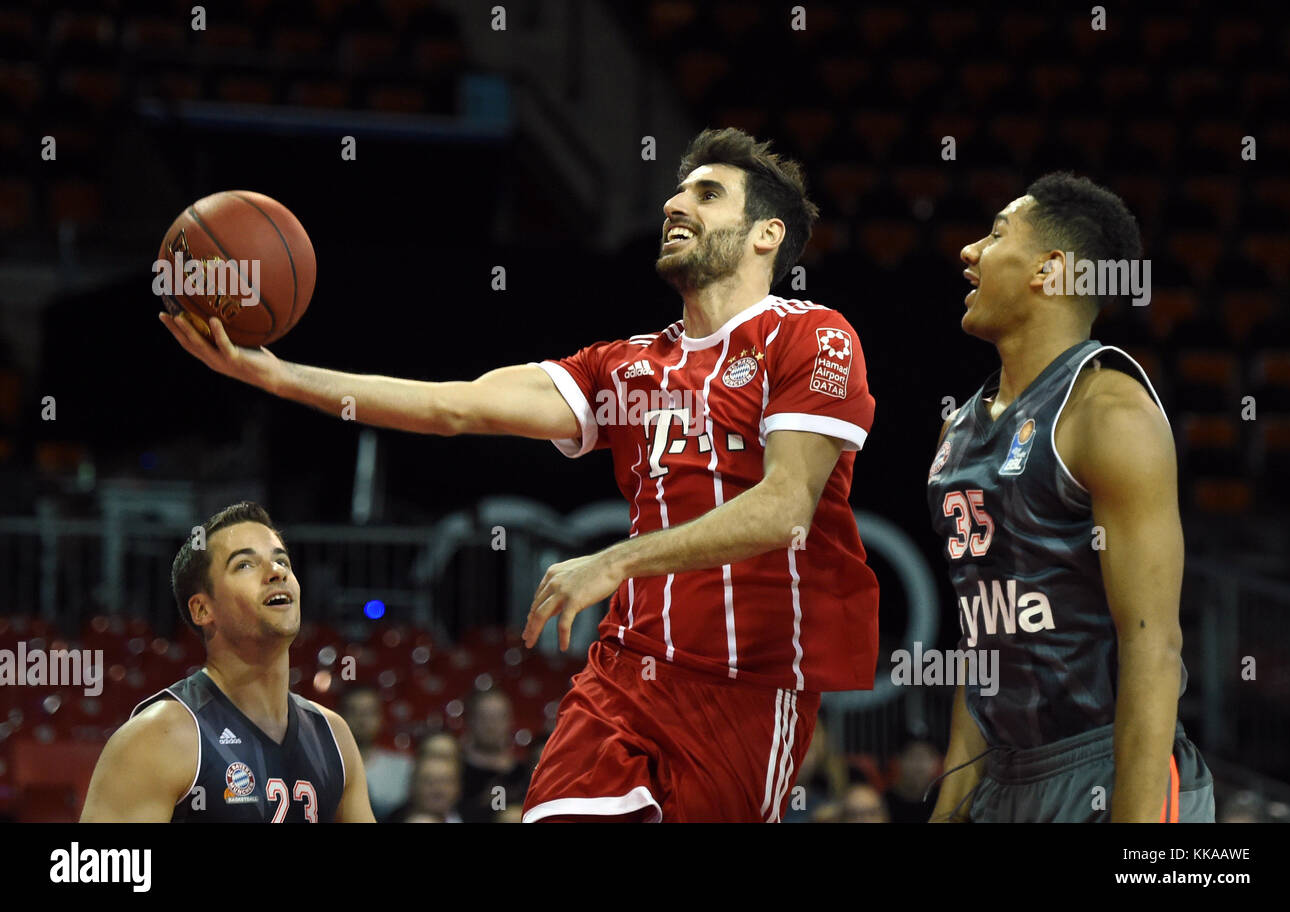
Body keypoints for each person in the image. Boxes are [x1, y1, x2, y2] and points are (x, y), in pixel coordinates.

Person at [159, 127, 880, 823]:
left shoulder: (814, 335)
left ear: (766, 234)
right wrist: (278, 375)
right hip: (625, 674)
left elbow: (785, 507)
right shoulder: (623, 366)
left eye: (708, 194)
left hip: (748, 684)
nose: (674, 205)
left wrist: (615, 561)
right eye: (676, 192)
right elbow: (455, 408)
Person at [926, 173, 1213, 822]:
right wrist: (949, 806)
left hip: (1108, 763)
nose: (969, 251)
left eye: (996, 234)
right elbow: (984, 641)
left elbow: (1153, 648)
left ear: (1049, 271)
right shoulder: (959, 429)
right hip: (1002, 769)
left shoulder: (1108, 412)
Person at [81, 502, 374, 822]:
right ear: (203, 610)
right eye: (245, 565)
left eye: (282, 561)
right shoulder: (157, 737)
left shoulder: (333, 736)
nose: (277, 572)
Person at [457, 688, 531, 823]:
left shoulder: (525, 773)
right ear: (470, 720)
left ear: (510, 721)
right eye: (484, 717)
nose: (491, 725)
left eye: (498, 717)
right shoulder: (455, 772)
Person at [339, 685, 412, 819]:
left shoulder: (403, 768)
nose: (361, 720)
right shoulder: (324, 767)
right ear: (339, 716)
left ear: (381, 717)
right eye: (353, 712)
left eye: (369, 712)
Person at [387, 754, 462, 823]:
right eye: (429, 782)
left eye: (445, 781)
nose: (438, 789)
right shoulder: (393, 819)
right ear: (414, 785)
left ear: (458, 785)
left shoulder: (470, 816)